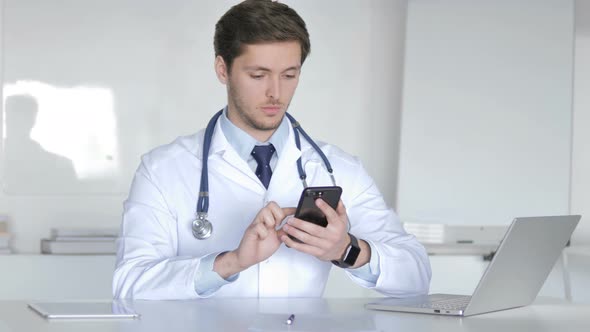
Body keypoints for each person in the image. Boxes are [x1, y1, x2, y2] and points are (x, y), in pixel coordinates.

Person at [113, 0, 431, 300]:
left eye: (289, 75)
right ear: (223, 70)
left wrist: (345, 250)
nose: (275, 93)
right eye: (258, 75)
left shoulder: (338, 168)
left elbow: (416, 274)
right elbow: (130, 285)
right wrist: (231, 262)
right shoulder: (163, 169)